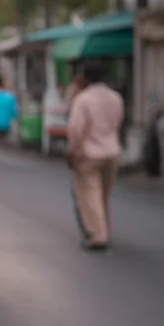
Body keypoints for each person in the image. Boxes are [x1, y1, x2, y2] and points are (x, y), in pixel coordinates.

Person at [67, 62, 125, 251]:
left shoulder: (83, 99)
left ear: (85, 78)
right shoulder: (116, 97)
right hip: (112, 151)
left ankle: (98, 234)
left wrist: (72, 152)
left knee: (89, 194)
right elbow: (118, 123)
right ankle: (104, 229)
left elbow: (76, 129)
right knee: (103, 195)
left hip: (89, 153)